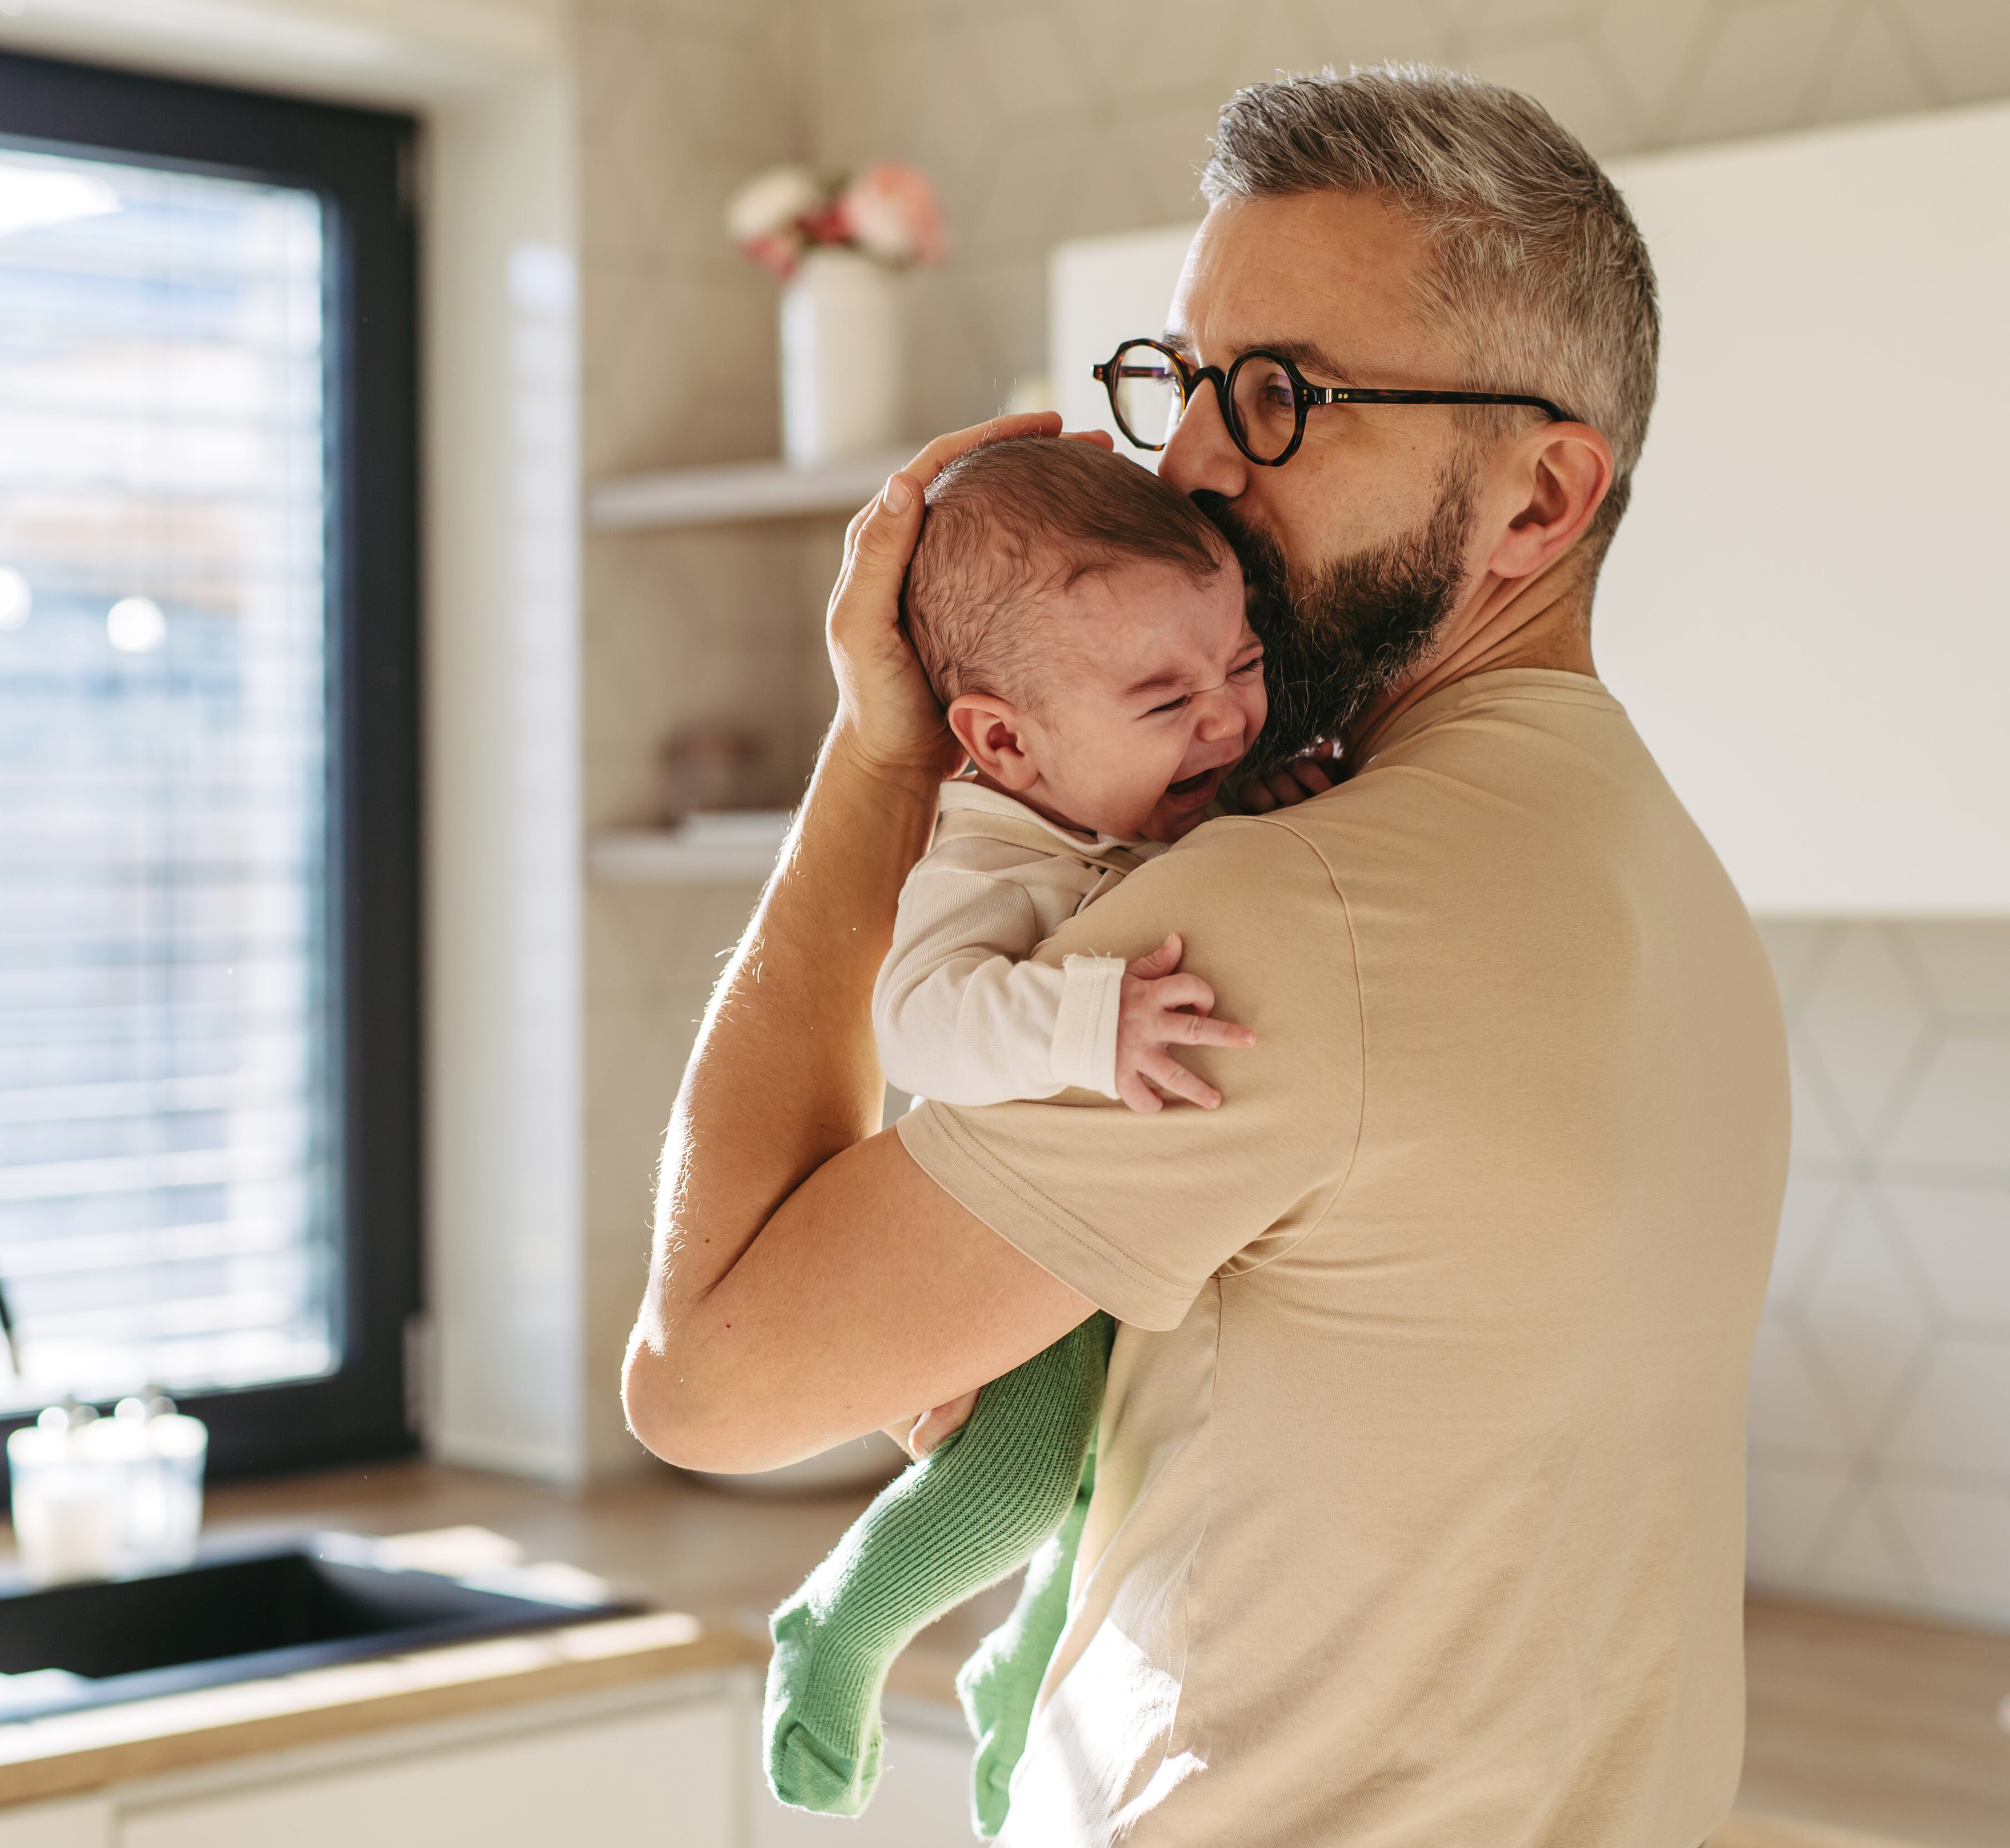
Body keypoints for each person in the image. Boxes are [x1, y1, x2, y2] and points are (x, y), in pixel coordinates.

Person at [625, 62, 1790, 1847]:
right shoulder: (1673, 878)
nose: (1182, 463)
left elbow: (707, 1373)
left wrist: (886, 751)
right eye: (1184, 379)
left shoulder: (1283, 919)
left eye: (1281, 398)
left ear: (1542, 502)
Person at [765, 437, 1261, 1832]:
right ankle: (844, 1624)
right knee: (1029, 1472)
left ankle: (1020, 1672)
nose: (1226, 720)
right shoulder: (988, 851)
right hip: (1004, 1235)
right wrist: (1087, 1024)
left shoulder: (1129, 802)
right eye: (1166, 696)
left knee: (1115, 1488)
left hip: (1101, 1234)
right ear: (1001, 741)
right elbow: (920, 1024)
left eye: (1242, 663)